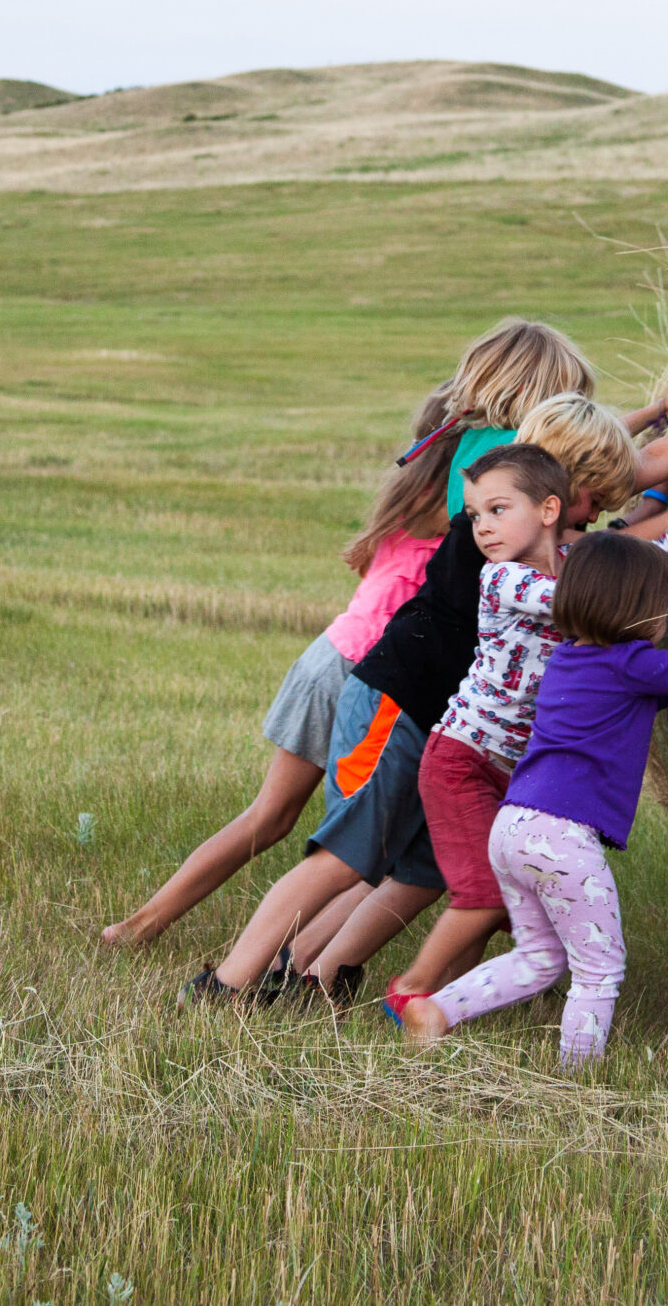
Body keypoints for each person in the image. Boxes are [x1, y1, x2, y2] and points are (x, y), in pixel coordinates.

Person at [181, 356, 668, 1006]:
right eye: (591, 499)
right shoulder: (494, 549)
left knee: (429, 871)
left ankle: (318, 976)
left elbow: (628, 546)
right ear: (554, 495)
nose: (597, 514)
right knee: (346, 855)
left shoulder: (559, 545)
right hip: (396, 705)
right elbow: (605, 587)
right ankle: (227, 982)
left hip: (462, 741)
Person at [376, 426, 668, 1011]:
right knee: (482, 896)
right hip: (464, 758)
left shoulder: (581, 563)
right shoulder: (500, 579)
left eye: (497, 510)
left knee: (507, 890)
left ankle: (459, 997)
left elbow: (635, 572)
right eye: (475, 516)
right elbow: (608, 594)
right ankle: (411, 991)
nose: (483, 528)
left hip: (521, 771)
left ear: (550, 510)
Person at [96, 382, 453, 950]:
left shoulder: (408, 496)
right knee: (357, 850)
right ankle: (279, 962)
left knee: (270, 816)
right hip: (366, 679)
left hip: (328, 658)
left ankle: (142, 927)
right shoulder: (451, 509)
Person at [402, 534, 668, 1065]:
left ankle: (438, 1011)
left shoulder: (569, 658)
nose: (665, 618)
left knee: (539, 958)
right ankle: (577, 1073)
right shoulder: (632, 664)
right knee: (599, 968)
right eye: (660, 606)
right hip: (560, 837)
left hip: (513, 827)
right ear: (635, 614)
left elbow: (660, 692)